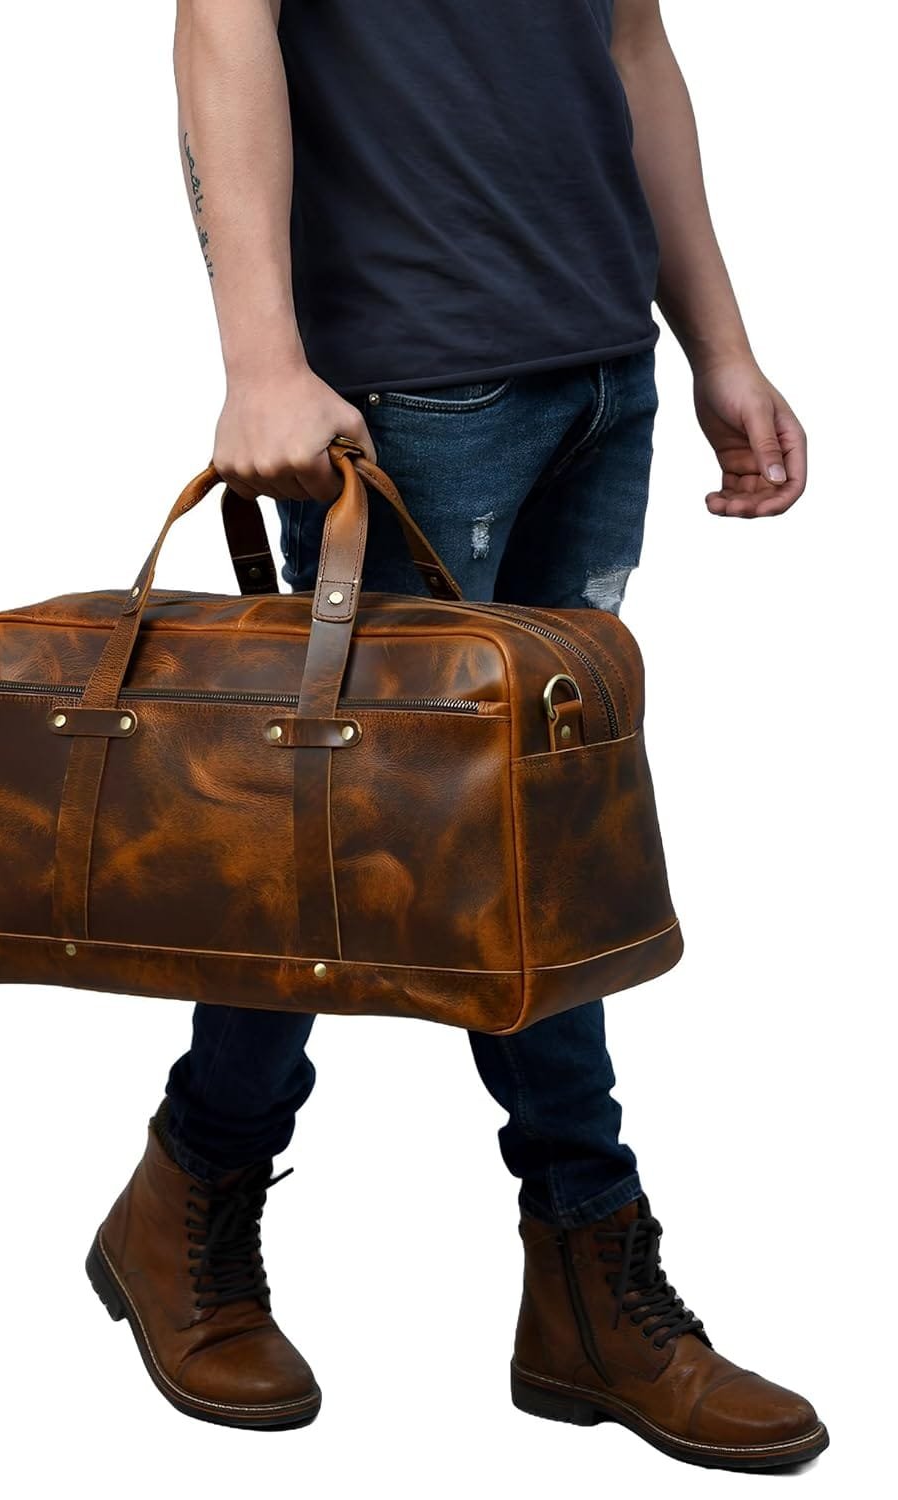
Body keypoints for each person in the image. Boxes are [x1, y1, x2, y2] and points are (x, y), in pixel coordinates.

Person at [84, 0, 827, 1468]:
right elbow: (221, 23)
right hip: (420, 384)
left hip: (604, 378)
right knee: (353, 847)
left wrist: (716, 346)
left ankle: (568, 1283)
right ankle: (209, 1187)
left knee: (539, 846)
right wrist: (258, 357)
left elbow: (632, 47)